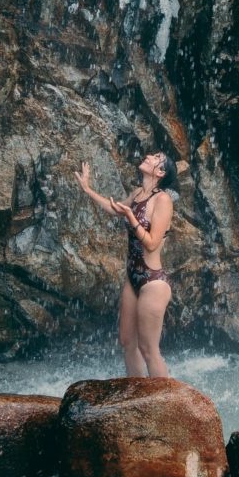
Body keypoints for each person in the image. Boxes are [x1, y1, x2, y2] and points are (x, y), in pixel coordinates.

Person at [78, 152, 176, 379]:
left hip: (153, 281)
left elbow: (152, 244)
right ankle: (137, 394)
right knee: (127, 341)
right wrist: (87, 189)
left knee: (148, 349)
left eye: (156, 157)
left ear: (160, 172)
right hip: (133, 278)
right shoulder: (138, 193)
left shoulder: (162, 200)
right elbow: (115, 208)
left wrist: (132, 218)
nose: (149, 156)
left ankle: (166, 404)